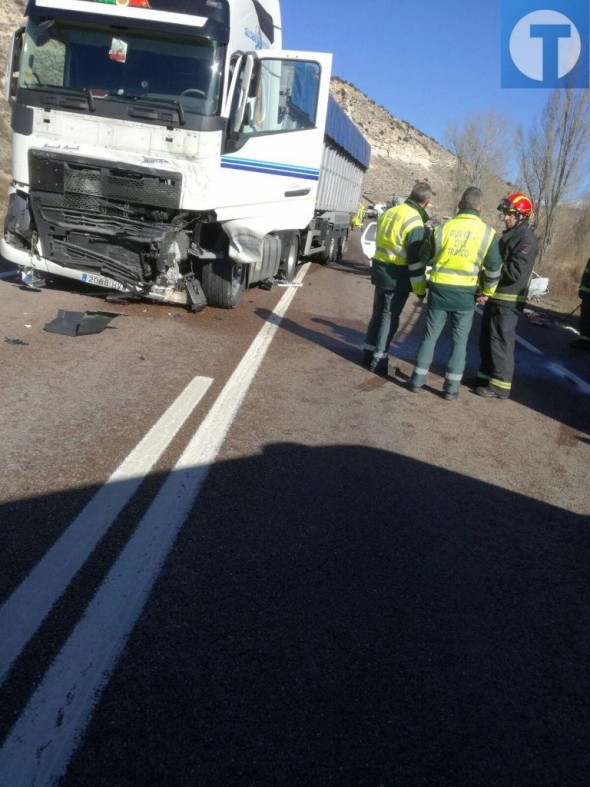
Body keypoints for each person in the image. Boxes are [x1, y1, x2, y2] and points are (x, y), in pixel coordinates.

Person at [408, 186, 502, 401]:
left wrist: (421, 288)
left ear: (460, 204)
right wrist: (487, 291)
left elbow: (424, 257)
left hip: (440, 290)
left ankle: (416, 381)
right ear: (480, 208)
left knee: (429, 337)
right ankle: (450, 389)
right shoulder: (488, 234)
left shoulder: (442, 228)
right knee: (459, 342)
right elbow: (494, 268)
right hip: (466, 295)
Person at [361, 182, 432, 376]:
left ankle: (368, 353)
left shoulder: (390, 212)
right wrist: (420, 289)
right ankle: (379, 360)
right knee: (389, 317)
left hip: (380, 269)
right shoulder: (415, 221)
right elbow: (415, 262)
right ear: (426, 201)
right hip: (397, 275)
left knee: (377, 314)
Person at [475, 193, 538, 398]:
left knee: (500, 341)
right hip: (496, 297)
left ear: (522, 216)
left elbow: (515, 272)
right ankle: (484, 376)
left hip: (508, 301)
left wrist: (491, 268)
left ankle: (500, 385)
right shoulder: (509, 236)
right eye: (506, 214)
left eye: (511, 214)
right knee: (486, 339)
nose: (507, 218)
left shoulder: (526, 240)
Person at [570, 257, 590, 351]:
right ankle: (584, 341)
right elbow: (587, 275)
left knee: (586, 318)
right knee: (585, 318)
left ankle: (584, 342)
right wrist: (583, 290)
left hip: (588, 295)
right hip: (587, 295)